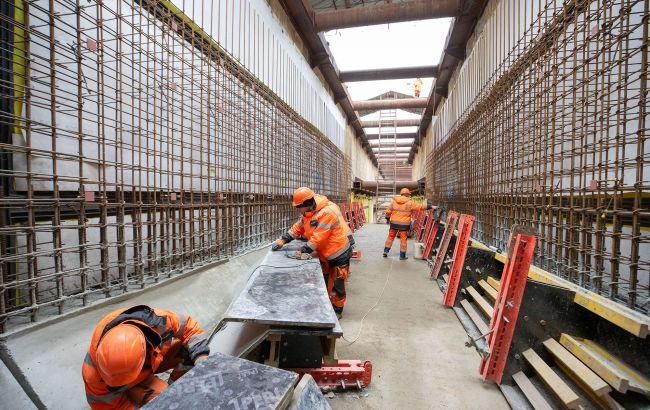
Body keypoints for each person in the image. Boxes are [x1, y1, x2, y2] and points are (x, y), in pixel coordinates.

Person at [82, 305, 209, 409]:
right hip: (127, 389)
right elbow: (111, 408)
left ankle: (177, 388)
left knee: (188, 350)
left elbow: (190, 328)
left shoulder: (159, 321)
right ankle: (165, 397)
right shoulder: (93, 376)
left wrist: (201, 357)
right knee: (165, 402)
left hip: (152, 361)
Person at [272, 187, 352, 317]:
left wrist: (302, 251)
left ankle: (338, 310)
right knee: (326, 281)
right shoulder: (308, 213)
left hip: (339, 254)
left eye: (299, 206)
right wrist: (283, 240)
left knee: (338, 286)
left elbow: (317, 239)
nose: (298, 209)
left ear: (307, 204)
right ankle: (326, 305)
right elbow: (298, 228)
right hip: (326, 255)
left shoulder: (326, 213)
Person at [383, 188, 431, 260]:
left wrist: (387, 219)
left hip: (394, 223)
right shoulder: (410, 203)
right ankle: (402, 256)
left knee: (390, 237)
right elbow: (420, 207)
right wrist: (430, 206)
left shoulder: (393, 202)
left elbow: (388, 211)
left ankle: (385, 252)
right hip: (404, 224)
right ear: (408, 195)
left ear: (401, 194)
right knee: (403, 240)